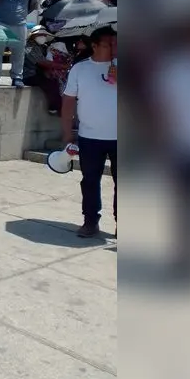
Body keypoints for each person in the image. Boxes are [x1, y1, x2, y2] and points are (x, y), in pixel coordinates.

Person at [61, 27, 117, 238]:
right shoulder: (80, 69)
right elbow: (68, 102)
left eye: (115, 43)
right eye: (107, 44)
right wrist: (67, 134)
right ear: (94, 45)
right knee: (90, 180)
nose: (113, 48)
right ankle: (90, 221)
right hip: (90, 137)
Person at [22, 25, 66, 115]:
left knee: (56, 81)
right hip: (29, 75)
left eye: (44, 35)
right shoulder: (29, 47)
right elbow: (42, 62)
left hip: (39, 73)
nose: (44, 37)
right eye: (41, 35)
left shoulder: (42, 47)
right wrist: (63, 66)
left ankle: (58, 107)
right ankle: (55, 107)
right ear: (34, 36)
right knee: (50, 83)